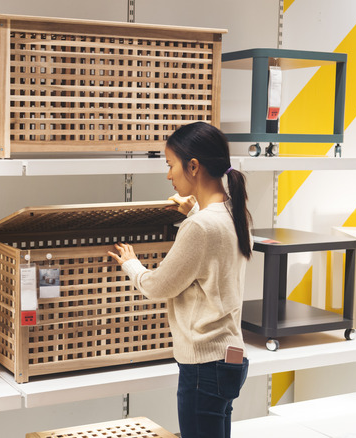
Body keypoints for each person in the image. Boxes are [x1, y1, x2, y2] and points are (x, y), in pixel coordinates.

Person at [108, 121, 252, 438]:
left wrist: (131, 264)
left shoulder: (200, 227)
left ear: (194, 166)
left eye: (170, 164)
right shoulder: (234, 212)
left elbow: (158, 286)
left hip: (204, 365)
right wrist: (193, 211)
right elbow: (210, 256)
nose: (168, 174)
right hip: (231, 358)